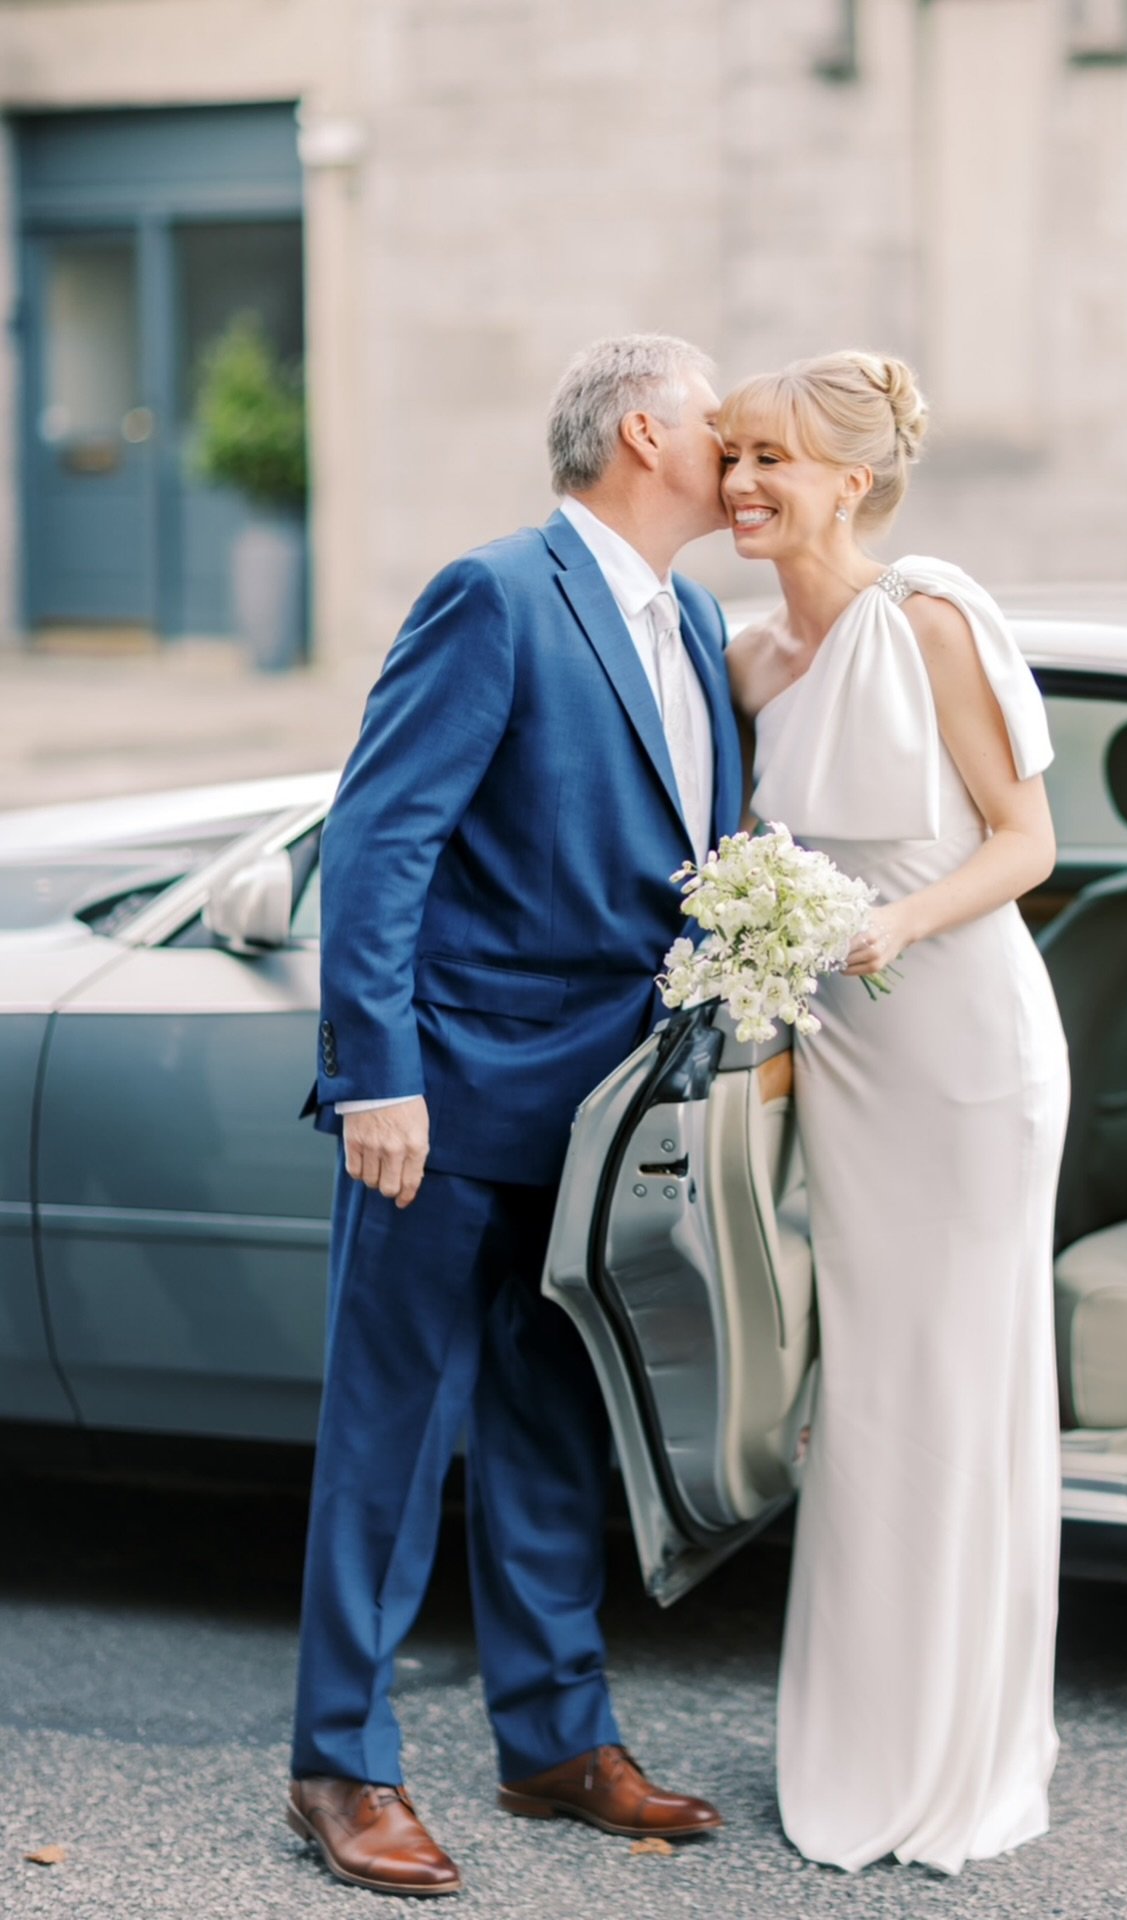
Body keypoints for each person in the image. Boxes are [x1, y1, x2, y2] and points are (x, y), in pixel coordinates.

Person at [287, 334, 741, 1897]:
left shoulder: (689, 610)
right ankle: (339, 1769)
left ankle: (555, 1742)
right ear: (639, 431)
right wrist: (380, 1074)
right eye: (713, 423)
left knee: (553, 1425)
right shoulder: (494, 592)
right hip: (450, 1099)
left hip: (604, 1122)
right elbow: (379, 838)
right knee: (390, 1438)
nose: (734, 447)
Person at [719, 351, 1070, 1874]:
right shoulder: (743, 660)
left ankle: (959, 1752)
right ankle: (862, 1737)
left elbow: (1026, 843)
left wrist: (896, 927)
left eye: (773, 461)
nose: (740, 484)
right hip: (844, 1062)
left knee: (952, 1386)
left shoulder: (928, 615)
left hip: (963, 1048)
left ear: (849, 481)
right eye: (729, 455)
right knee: (864, 1394)